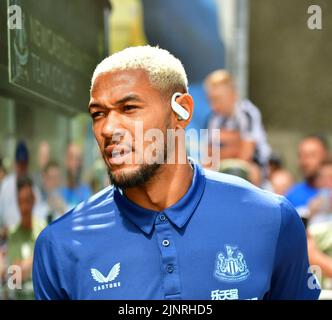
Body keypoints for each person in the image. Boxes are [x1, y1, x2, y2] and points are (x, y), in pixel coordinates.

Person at [33, 45, 320, 300]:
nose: (108, 129)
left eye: (129, 107)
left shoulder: (271, 219)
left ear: (181, 111)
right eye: (98, 114)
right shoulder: (60, 245)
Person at [204, 70, 271, 170]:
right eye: (210, 100)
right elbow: (208, 156)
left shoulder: (248, 114)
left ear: (233, 95)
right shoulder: (213, 118)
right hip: (222, 166)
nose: (213, 106)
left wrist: (225, 145)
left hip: (253, 168)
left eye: (217, 99)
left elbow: (246, 156)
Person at [0, 141, 45, 229]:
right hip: (9, 235)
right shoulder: (6, 185)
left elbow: (40, 212)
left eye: (24, 163)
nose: (22, 167)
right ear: (15, 163)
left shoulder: (34, 185)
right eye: (19, 163)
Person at [7, 176, 39, 300]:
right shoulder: (13, 234)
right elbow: (14, 279)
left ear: (34, 200)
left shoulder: (43, 231)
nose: (25, 208)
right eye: (21, 202)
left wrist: (23, 265)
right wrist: (36, 259)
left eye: (27, 201)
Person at [286, 134, 329, 217]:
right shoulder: (291, 196)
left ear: (326, 156)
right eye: (301, 156)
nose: (304, 162)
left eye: (311, 155)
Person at [59, 143, 92, 210]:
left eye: (78, 159)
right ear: (65, 161)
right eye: (71, 158)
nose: (76, 163)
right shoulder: (57, 191)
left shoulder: (87, 191)